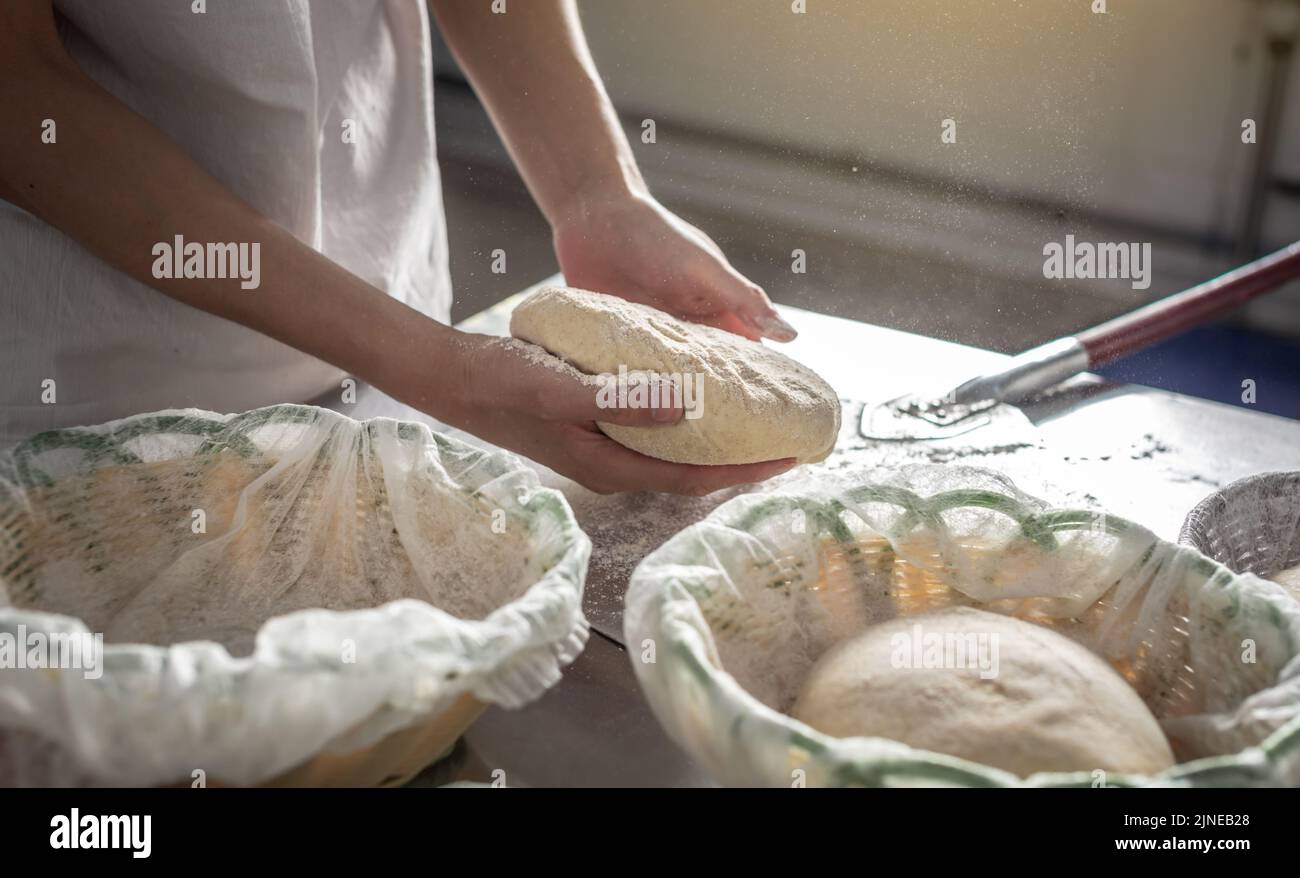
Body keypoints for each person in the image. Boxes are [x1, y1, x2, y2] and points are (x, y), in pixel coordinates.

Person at [0, 0, 800, 495]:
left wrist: (598, 192)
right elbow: (18, 91)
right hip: (107, 398)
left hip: (391, 340)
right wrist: (447, 372)